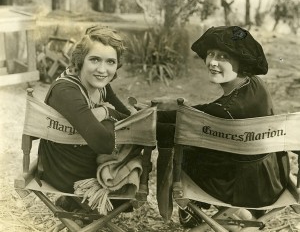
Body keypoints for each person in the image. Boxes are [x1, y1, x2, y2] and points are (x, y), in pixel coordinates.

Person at [156, 26, 290, 228]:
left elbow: (190, 120)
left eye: (223, 57)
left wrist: (152, 119)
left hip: (245, 189)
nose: (213, 62)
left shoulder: (225, 111)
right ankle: (234, 217)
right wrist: (163, 111)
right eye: (211, 54)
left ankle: (192, 210)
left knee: (185, 150)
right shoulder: (254, 85)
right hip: (271, 177)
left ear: (241, 61)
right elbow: (202, 111)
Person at [36, 26, 135, 208]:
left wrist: (106, 113)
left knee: (139, 147)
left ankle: (77, 205)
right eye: (95, 60)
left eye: (110, 62)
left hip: (82, 156)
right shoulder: (66, 90)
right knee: (131, 161)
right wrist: (107, 113)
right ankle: (76, 202)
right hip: (63, 169)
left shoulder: (100, 84)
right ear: (81, 60)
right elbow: (103, 142)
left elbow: (128, 118)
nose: (102, 69)